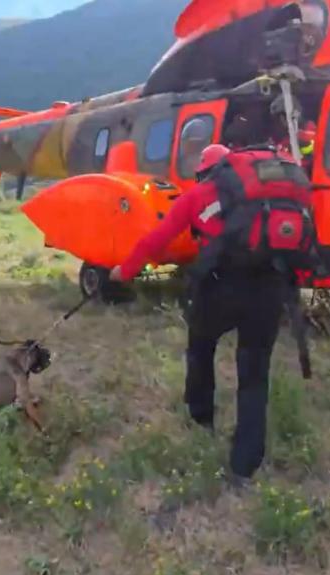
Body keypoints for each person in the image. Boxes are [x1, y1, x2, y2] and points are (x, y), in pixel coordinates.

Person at [110, 140, 307, 482]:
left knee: (200, 349)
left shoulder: (197, 196)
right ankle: (244, 467)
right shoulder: (269, 194)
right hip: (269, 289)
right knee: (254, 376)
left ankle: (201, 418)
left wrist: (123, 271)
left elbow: (156, 240)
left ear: (203, 172)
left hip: (220, 288)